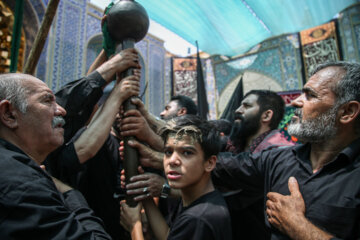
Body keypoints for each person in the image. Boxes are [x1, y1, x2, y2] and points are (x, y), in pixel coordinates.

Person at [212, 61, 360, 239]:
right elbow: (222, 166)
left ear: (347, 112)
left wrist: (298, 227)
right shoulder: (279, 158)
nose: (296, 102)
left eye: (310, 95)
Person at [0, 73, 111, 239]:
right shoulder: (24, 186)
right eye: (47, 100)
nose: (62, 110)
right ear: (9, 114)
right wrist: (69, 193)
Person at [120, 115, 232, 240]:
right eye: (168, 152)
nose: (172, 161)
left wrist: (134, 225)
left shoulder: (198, 219)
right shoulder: (196, 200)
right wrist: (146, 196)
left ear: (210, 163)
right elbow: (169, 236)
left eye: (187, 153)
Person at [222, 89, 295, 240]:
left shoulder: (279, 152)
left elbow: (239, 193)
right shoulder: (235, 145)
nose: (237, 110)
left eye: (246, 106)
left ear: (267, 115)